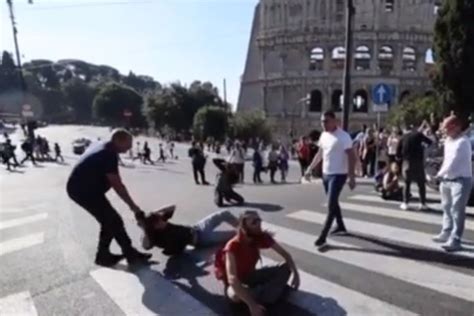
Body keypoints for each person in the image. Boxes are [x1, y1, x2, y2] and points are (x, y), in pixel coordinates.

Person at [66, 129, 151, 267]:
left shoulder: (105, 146)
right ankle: (108, 255)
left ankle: (121, 254)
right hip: (83, 191)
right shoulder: (108, 154)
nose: (130, 147)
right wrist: (134, 207)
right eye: (128, 144)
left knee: (112, 221)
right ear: (118, 140)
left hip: (85, 188)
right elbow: (118, 186)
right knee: (111, 220)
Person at [215, 211, 300, 316]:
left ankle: (263, 295)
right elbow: (232, 278)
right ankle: (265, 294)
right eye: (254, 222)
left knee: (285, 267)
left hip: (250, 275)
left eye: (259, 220)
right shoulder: (232, 246)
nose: (259, 224)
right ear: (245, 227)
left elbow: (285, 254)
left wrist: (296, 274)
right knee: (234, 295)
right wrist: (252, 305)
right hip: (238, 282)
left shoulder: (260, 236)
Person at [305, 111, 356, 247]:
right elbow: (320, 154)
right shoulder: (324, 135)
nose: (324, 124)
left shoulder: (343, 137)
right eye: (322, 121)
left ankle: (322, 236)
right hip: (326, 174)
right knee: (333, 202)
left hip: (339, 174)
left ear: (335, 121)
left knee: (330, 204)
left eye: (326, 121)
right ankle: (340, 226)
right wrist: (310, 169)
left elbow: (352, 156)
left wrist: (352, 177)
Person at [433, 115, 473, 252]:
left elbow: (453, 161)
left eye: (446, 127)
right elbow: (446, 160)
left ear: (456, 127)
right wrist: (442, 176)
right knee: (447, 208)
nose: (443, 131)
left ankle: (455, 239)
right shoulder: (448, 141)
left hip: (461, 181)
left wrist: (438, 175)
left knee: (457, 210)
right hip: (447, 179)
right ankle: (446, 231)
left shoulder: (463, 142)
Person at [139, 205, 238, 256]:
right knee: (234, 235)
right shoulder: (164, 238)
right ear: (155, 226)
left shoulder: (160, 221)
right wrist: (145, 228)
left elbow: (172, 206)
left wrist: (153, 213)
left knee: (224, 213)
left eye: (160, 218)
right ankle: (245, 231)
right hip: (201, 239)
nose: (162, 219)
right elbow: (146, 245)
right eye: (159, 220)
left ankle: (242, 226)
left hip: (197, 227)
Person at [397, 124, 433, 211]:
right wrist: (422, 148)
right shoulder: (418, 135)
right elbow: (429, 142)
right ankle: (422, 203)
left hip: (407, 162)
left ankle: (405, 203)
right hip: (418, 161)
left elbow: (398, 153)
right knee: (421, 184)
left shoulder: (402, 137)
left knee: (407, 183)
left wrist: (400, 158)